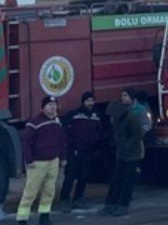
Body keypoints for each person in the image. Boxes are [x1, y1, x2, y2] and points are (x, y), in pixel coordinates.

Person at [16, 96, 66, 225]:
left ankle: (44, 219)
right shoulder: (34, 123)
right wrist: (29, 160)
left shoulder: (57, 122)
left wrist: (63, 158)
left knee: (49, 191)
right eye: (49, 104)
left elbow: (62, 141)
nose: (52, 107)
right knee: (30, 192)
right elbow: (26, 143)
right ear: (42, 107)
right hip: (37, 163)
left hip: (53, 162)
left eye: (54, 104)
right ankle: (22, 221)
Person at [103, 89, 148, 217]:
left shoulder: (136, 111)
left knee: (128, 179)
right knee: (117, 178)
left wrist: (131, 144)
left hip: (132, 151)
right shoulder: (118, 115)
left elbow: (140, 130)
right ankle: (111, 203)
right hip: (121, 150)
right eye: (122, 95)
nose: (123, 98)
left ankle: (123, 204)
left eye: (126, 95)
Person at [60, 92, 102, 211]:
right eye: (88, 101)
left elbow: (99, 131)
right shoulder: (74, 114)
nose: (90, 103)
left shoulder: (96, 116)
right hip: (74, 150)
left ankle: (78, 198)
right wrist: (70, 144)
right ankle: (64, 199)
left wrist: (96, 145)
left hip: (88, 151)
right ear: (83, 102)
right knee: (70, 175)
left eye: (92, 101)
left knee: (84, 176)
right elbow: (64, 129)